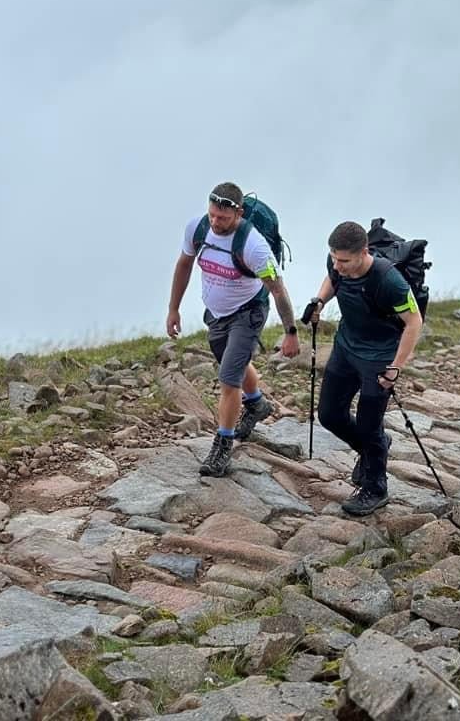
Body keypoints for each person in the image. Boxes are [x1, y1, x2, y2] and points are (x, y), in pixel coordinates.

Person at [167, 182, 300, 477]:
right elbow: (184, 264)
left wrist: (290, 332)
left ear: (239, 213)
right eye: (212, 215)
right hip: (216, 314)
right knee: (234, 365)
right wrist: (173, 308)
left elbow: (278, 290)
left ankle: (222, 446)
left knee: (228, 379)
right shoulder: (197, 228)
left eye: (223, 218)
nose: (216, 222)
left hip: (248, 312)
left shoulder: (254, 246)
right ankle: (257, 404)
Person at [305, 221, 423, 516]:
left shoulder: (389, 280)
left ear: (363, 252)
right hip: (346, 349)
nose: (337, 265)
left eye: (344, 260)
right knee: (329, 415)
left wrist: (395, 368)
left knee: (369, 425)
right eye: (334, 258)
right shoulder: (337, 264)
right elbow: (332, 278)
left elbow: (414, 322)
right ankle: (375, 447)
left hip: (379, 358)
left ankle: (376, 487)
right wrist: (320, 300)